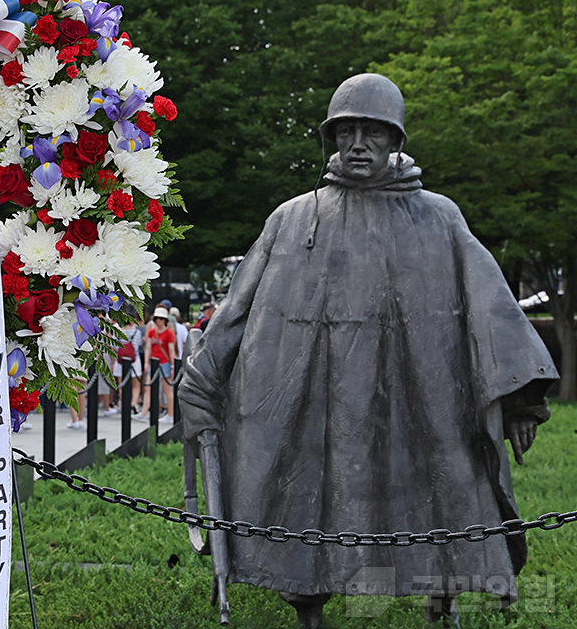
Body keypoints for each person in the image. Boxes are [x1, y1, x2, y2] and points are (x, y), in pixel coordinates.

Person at [178, 73, 557, 628]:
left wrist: (522, 399)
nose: (358, 144)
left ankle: (443, 599)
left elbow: (492, 308)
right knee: (309, 497)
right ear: (330, 139)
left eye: (373, 132)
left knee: (443, 487)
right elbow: (237, 309)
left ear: (396, 140)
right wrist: (201, 380)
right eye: (346, 131)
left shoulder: (440, 217)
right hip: (317, 399)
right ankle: (309, 605)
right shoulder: (293, 218)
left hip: (422, 397)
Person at [137, 306, 176, 423]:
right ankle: (144, 413)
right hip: (153, 362)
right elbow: (148, 348)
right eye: (156, 318)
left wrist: (173, 366)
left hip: (164, 362)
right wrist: (146, 362)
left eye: (160, 318)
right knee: (148, 388)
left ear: (165, 320)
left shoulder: (168, 333)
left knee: (167, 389)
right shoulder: (152, 331)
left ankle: (171, 414)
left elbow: (171, 351)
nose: (158, 320)